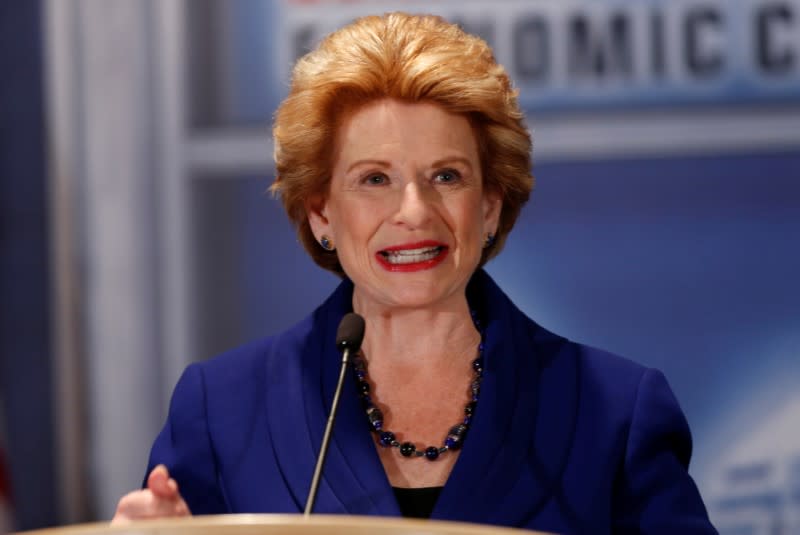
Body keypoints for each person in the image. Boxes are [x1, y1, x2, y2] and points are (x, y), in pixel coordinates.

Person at [113, 12, 717, 533]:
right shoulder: (222, 409)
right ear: (321, 210)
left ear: (489, 207)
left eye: (446, 176)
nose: (414, 212)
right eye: (374, 179)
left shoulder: (614, 410)